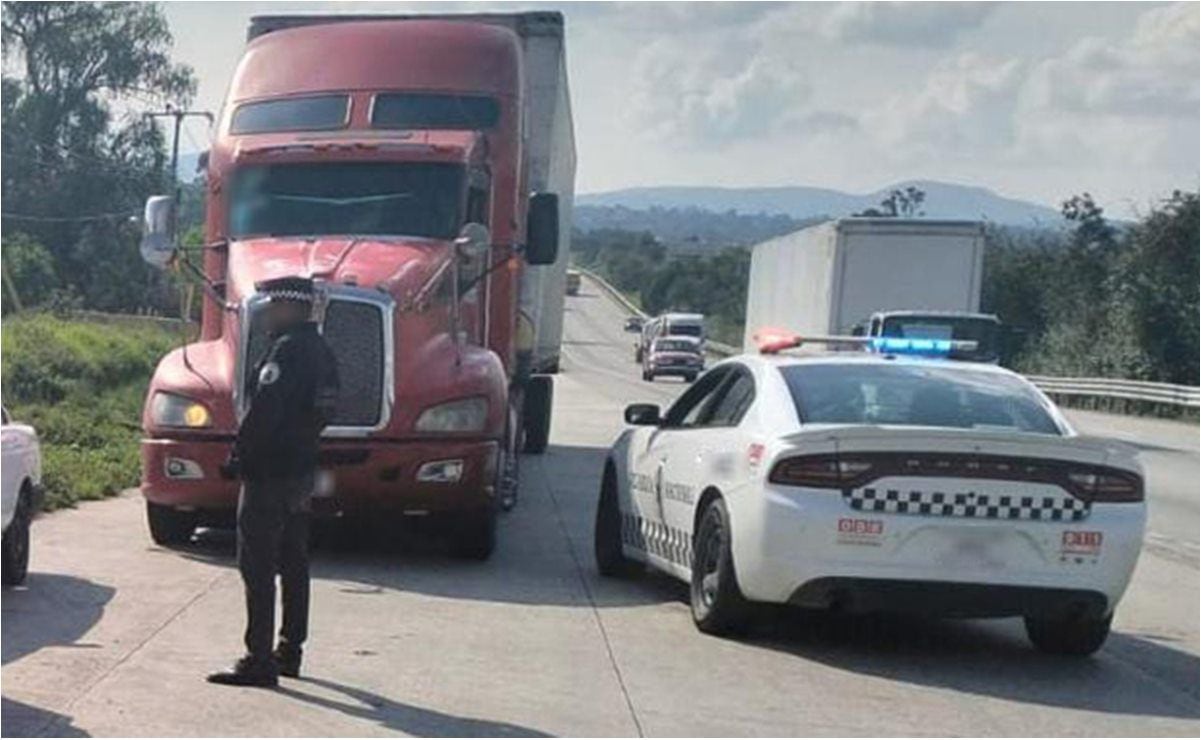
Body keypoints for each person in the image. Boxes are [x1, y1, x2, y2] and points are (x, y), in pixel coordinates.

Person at [208, 276, 339, 688]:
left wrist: (238, 455)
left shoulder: (287, 351)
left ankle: (258, 658)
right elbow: (326, 409)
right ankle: (290, 650)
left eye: (275, 306)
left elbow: (264, 412)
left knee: (258, 564)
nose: (268, 313)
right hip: (302, 469)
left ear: (293, 308)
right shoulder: (323, 352)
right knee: (295, 562)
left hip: (269, 473)